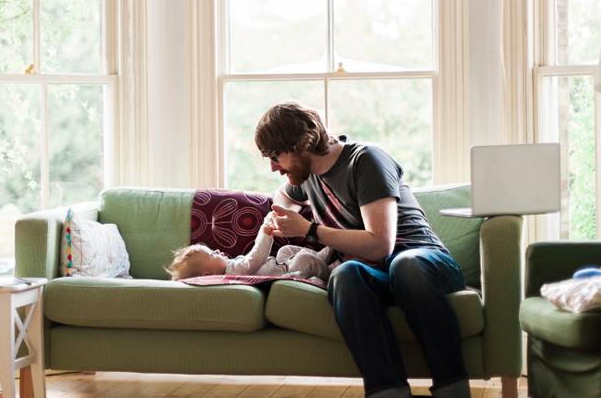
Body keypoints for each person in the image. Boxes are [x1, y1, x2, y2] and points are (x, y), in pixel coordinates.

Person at [254, 102, 469, 398]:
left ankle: (452, 388)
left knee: (404, 266)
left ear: (301, 144)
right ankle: (388, 392)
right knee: (345, 274)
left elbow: (381, 245)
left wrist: (308, 230)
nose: (274, 168)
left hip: (425, 263)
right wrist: (282, 213)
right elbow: (282, 196)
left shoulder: (365, 160)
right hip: (377, 275)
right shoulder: (306, 177)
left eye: (276, 156)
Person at [167, 213, 332, 282]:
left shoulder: (230, 267)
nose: (216, 251)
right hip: (286, 275)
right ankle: (328, 268)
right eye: (212, 255)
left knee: (285, 251)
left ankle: (321, 256)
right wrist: (264, 232)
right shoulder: (234, 273)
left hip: (280, 266)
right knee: (303, 260)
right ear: (208, 275)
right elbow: (256, 258)